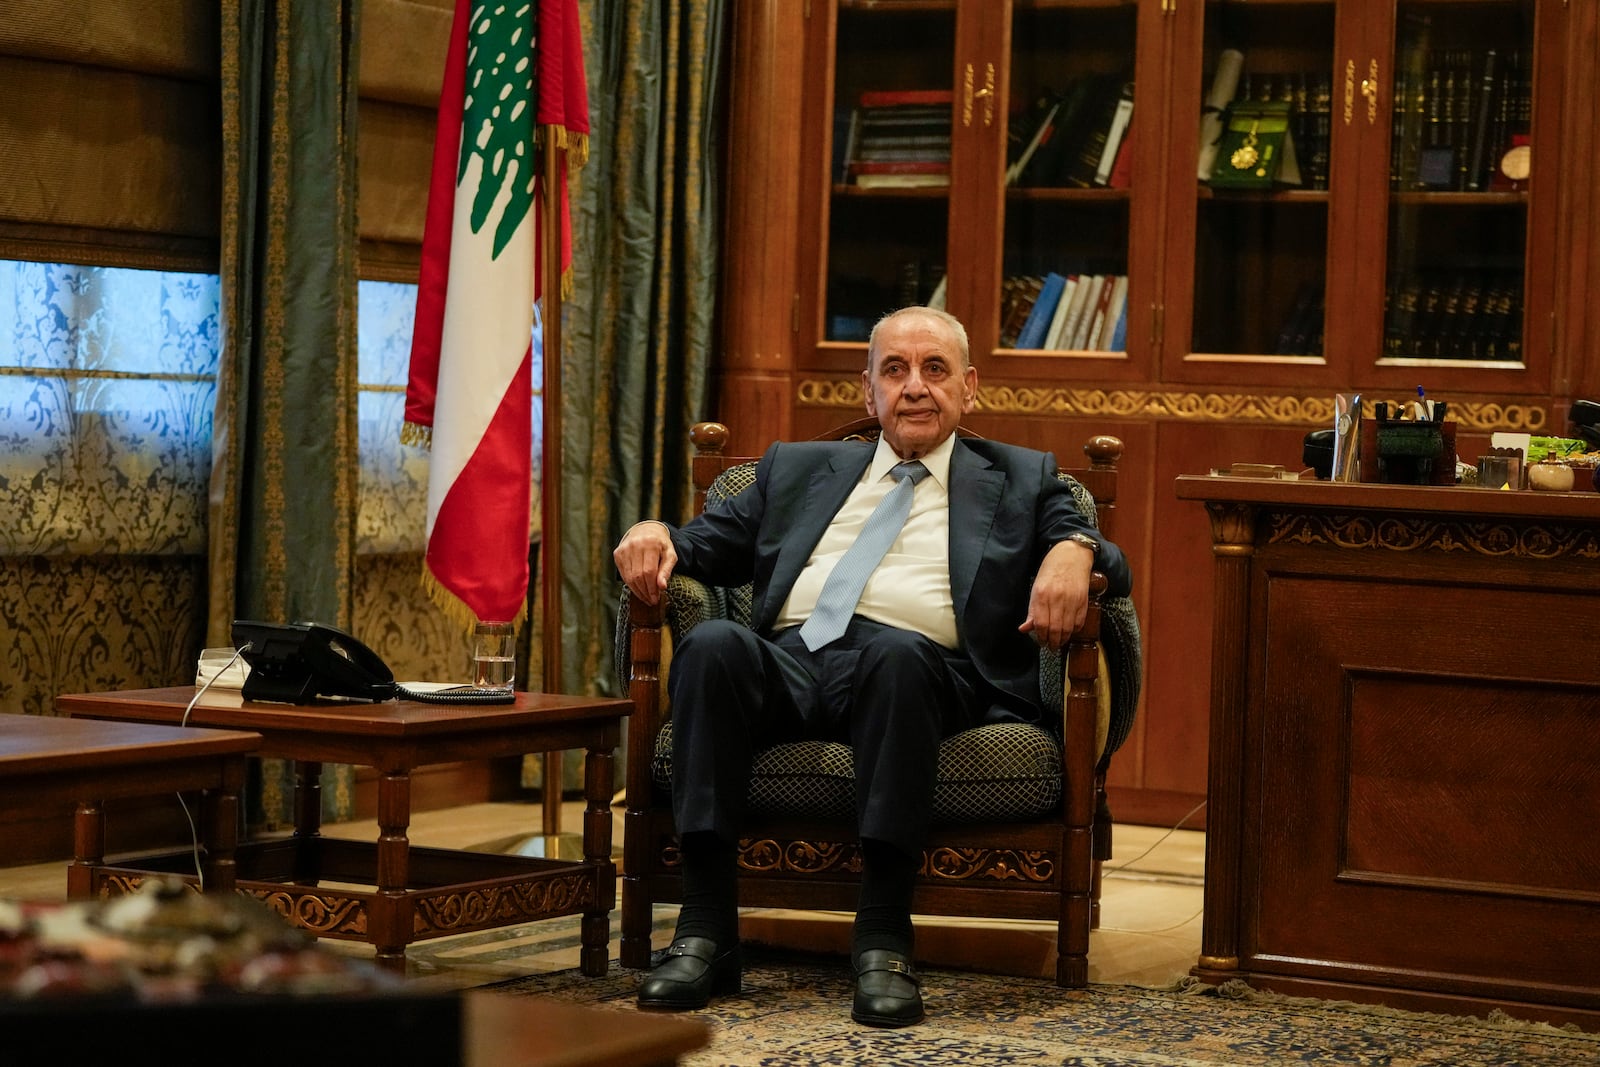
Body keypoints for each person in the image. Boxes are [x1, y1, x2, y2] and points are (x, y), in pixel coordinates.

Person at [612, 305, 1132, 1027]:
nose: (914, 386)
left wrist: (1075, 550)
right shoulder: (794, 469)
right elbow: (698, 544)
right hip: (794, 661)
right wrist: (651, 531)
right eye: (895, 369)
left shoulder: (1019, 476)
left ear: (969, 386)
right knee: (711, 647)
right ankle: (706, 929)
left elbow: (1109, 557)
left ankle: (884, 938)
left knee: (895, 652)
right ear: (869, 392)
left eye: (934, 368)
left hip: (923, 671)